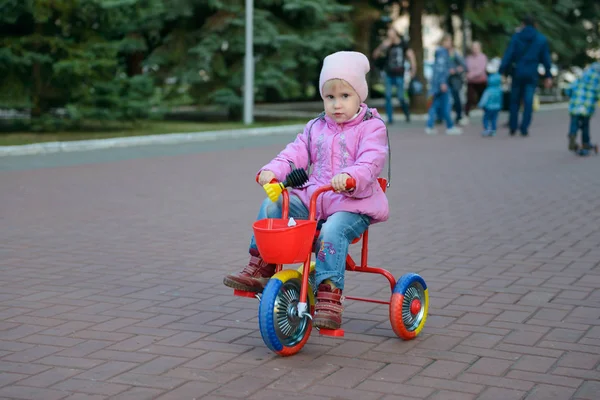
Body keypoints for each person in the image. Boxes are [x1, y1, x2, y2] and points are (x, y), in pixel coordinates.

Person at [223, 51, 390, 330]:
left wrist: (350, 176)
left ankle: (329, 294)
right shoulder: (316, 127)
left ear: (360, 95)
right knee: (273, 205)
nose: (337, 104)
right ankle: (261, 265)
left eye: (345, 96)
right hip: (316, 199)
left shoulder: (371, 127)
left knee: (332, 231)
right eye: (330, 97)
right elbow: (294, 154)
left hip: (353, 202)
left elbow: (371, 161)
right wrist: (273, 171)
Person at [499, 15, 552, 137]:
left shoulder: (517, 37)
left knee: (514, 101)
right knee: (528, 101)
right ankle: (524, 127)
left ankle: (513, 126)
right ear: (535, 25)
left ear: (523, 24)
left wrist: (502, 71)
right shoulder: (541, 39)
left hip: (517, 72)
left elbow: (509, 54)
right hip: (532, 73)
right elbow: (546, 59)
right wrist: (548, 75)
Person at [373, 27, 417, 124]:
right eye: (389, 34)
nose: (390, 36)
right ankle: (390, 118)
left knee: (400, 97)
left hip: (399, 74)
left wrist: (413, 69)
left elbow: (411, 56)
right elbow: (375, 55)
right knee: (388, 96)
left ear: (395, 33)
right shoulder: (387, 44)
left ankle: (406, 113)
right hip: (389, 74)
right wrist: (383, 46)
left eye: (391, 34)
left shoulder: (403, 44)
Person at [425, 34, 463, 135]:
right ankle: (450, 126)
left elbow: (443, 68)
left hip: (436, 84)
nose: (449, 43)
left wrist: (453, 70)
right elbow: (441, 69)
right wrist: (442, 82)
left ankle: (430, 126)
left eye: (450, 41)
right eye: (447, 41)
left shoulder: (441, 53)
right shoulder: (442, 53)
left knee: (434, 105)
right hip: (441, 84)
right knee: (446, 105)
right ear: (443, 42)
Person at [566, 62, 600, 153]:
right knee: (585, 126)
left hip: (575, 106)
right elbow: (598, 94)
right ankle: (586, 142)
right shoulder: (597, 82)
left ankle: (572, 134)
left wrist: (570, 96)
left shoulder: (581, 78)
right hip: (587, 108)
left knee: (574, 123)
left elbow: (569, 89)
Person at [465, 41, 489, 122]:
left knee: (483, 98)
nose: (474, 49)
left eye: (476, 48)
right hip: (471, 82)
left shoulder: (483, 57)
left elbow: (481, 70)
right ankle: (466, 115)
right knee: (469, 98)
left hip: (481, 81)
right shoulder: (469, 58)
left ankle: (488, 115)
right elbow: (467, 68)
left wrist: (471, 74)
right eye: (473, 48)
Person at [448, 44, 468, 125]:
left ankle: (459, 116)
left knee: (457, 99)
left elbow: (464, 66)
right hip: (449, 81)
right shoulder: (447, 56)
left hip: (456, 81)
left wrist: (455, 70)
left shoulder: (456, 55)